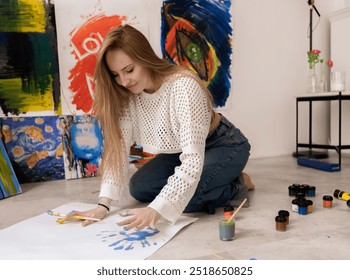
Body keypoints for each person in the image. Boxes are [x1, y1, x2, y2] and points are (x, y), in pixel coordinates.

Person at [72, 24, 254, 230]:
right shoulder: (127, 95)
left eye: (129, 70)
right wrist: (102, 205)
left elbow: (192, 159)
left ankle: (237, 185)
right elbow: (119, 151)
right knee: (139, 187)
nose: (123, 81)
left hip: (223, 144)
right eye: (115, 74)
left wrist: (157, 209)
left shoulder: (183, 86)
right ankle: (216, 179)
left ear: (145, 58)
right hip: (179, 151)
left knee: (184, 200)